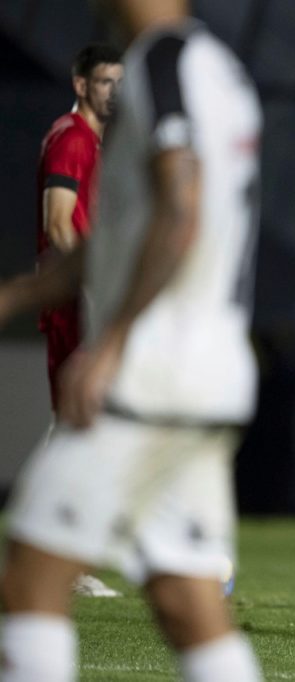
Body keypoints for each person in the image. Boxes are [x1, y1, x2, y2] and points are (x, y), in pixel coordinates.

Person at [0, 1, 264, 679]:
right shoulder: (220, 69)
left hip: (155, 366)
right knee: (185, 599)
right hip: (207, 367)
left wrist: (112, 340)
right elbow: (135, 224)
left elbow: (180, 208)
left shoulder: (162, 66)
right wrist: (19, 296)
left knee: (32, 571)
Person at [35, 43, 125, 599]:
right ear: (80, 84)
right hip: (74, 299)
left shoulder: (88, 139)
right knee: (81, 424)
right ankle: (55, 554)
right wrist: (95, 288)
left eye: (119, 81)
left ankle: (55, 550)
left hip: (77, 295)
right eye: (105, 81)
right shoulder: (72, 138)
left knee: (80, 425)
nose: (113, 91)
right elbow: (59, 223)